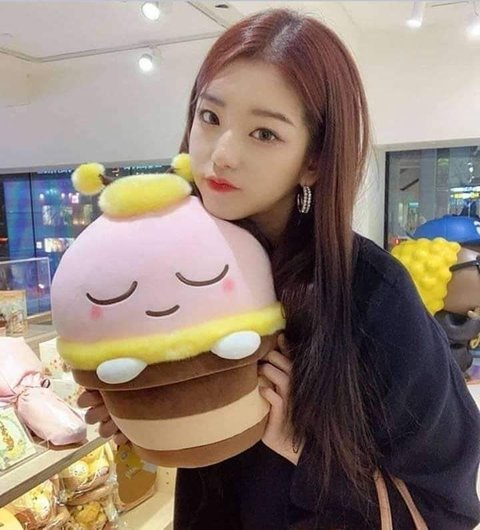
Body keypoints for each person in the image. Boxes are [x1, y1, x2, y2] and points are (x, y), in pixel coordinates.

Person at [78, 9, 480, 529]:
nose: (222, 154)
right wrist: (149, 416)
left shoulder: (368, 290)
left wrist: (303, 448)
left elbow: (446, 504)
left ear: (313, 161)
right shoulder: (173, 265)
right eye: (210, 117)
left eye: (264, 133)